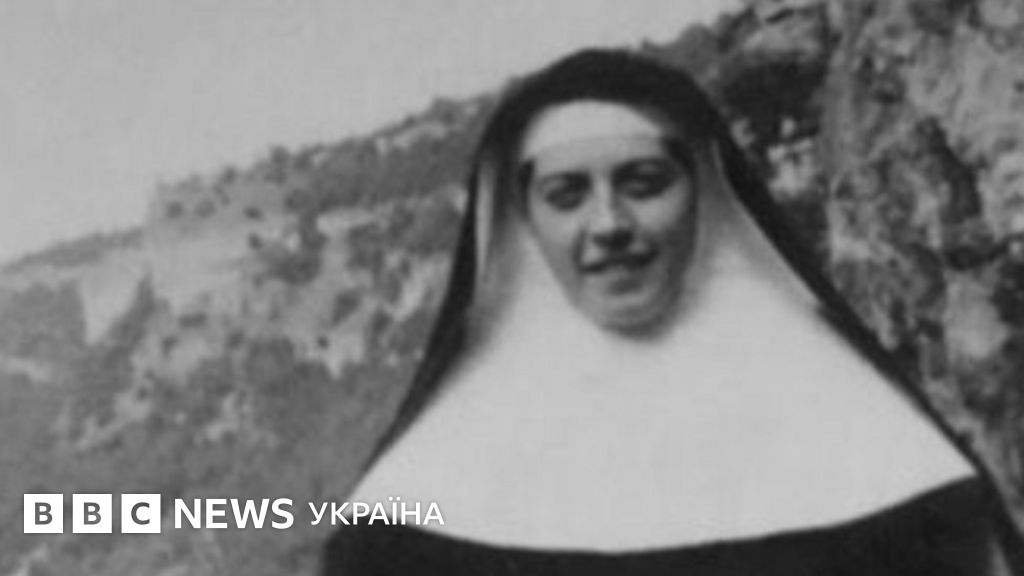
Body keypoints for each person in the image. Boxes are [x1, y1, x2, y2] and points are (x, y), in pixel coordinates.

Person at [322, 49, 1021, 575]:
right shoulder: (414, 507)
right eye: (567, 195)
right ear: (524, 223)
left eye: (644, 183)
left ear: (705, 198)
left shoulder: (875, 445)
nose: (608, 224)